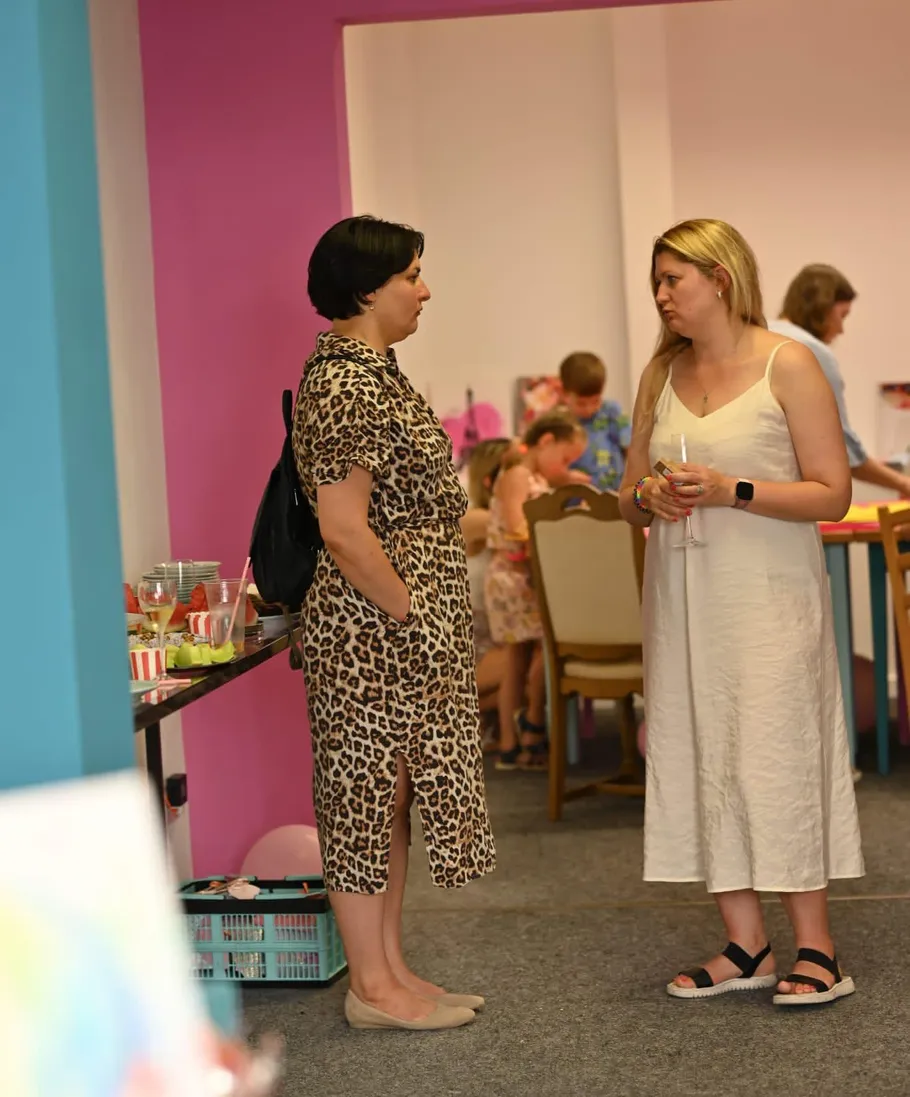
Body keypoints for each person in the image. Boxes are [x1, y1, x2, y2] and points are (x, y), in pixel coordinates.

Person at [619, 218, 863, 1007]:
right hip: (683, 599)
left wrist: (734, 490)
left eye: (673, 280)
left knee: (776, 754)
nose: (660, 295)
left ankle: (819, 947)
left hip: (769, 599)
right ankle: (745, 942)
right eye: (656, 281)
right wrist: (650, 495)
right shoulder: (660, 374)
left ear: (720, 278)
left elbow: (832, 492)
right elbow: (627, 497)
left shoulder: (786, 364)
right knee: (700, 747)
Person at [292, 215, 496, 1032]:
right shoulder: (344, 384)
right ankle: (372, 987)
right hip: (373, 627)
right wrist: (412, 611)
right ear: (367, 288)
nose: (424, 289)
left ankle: (389, 967)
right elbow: (344, 529)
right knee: (363, 799)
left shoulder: (376, 373)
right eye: (412, 275)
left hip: (399, 625)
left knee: (392, 795)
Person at [485, 410, 586, 770]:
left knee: (521, 657)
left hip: (523, 575)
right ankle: (528, 726)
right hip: (514, 577)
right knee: (541, 648)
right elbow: (517, 525)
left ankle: (516, 740)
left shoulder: (533, 476)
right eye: (565, 458)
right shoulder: (517, 474)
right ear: (546, 442)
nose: (566, 467)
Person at [771, 265, 910, 497]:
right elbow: (842, 446)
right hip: (790, 495)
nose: (841, 329)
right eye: (842, 315)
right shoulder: (812, 352)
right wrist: (903, 483)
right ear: (822, 306)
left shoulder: (759, 335)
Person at [459, 438, 514, 747]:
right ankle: (456, 709)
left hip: (495, 630)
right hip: (474, 638)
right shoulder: (477, 518)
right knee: (534, 665)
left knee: (536, 662)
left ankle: (465, 715)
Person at [558, 351, 631, 491]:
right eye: (581, 403)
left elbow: (630, 447)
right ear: (564, 393)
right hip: (575, 494)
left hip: (613, 492)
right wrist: (565, 476)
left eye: (595, 401)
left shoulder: (611, 411)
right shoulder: (560, 422)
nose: (589, 409)